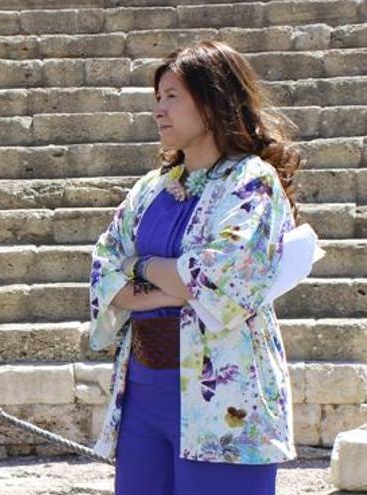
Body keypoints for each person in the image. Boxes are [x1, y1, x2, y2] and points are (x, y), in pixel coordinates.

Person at [89, 41, 304, 495]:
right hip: (143, 396)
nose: (158, 110)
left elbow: (222, 276)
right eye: (157, 98)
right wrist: (167, 278)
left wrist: (139, 267)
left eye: (172, 97)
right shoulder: (150, 189)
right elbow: (105, 270)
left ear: (211, 103)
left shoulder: (251, 181)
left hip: (225, 400)